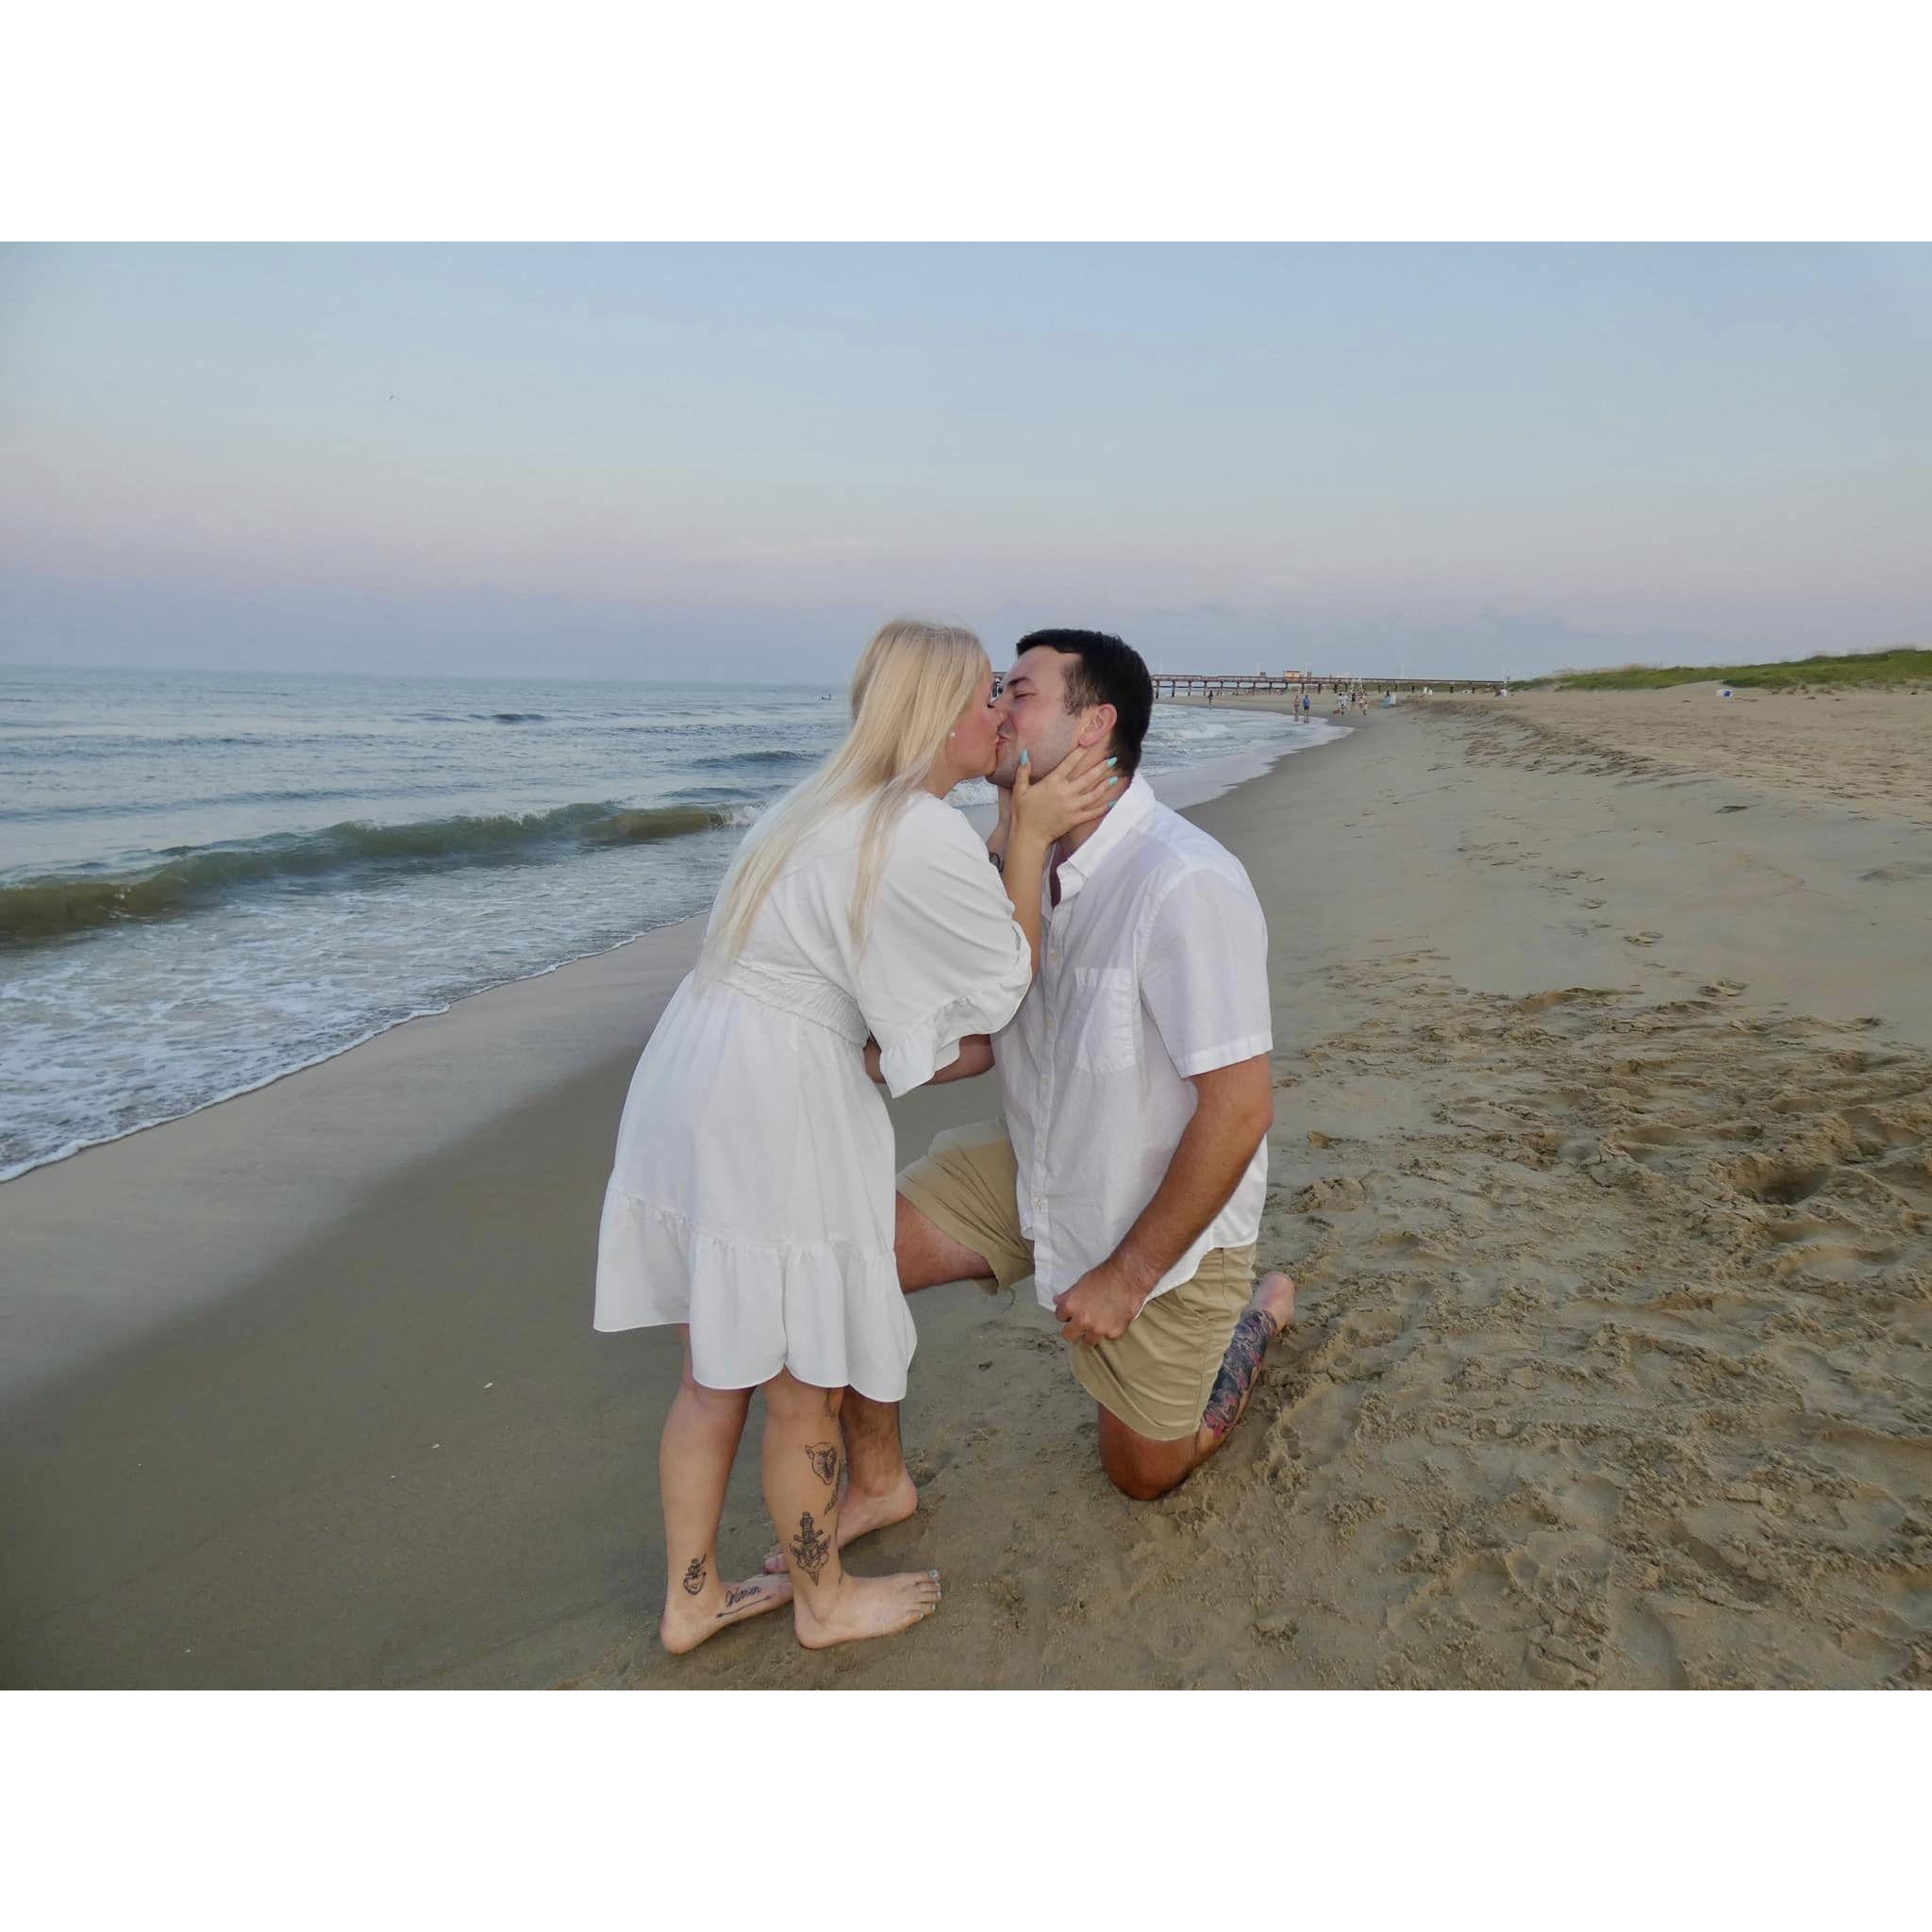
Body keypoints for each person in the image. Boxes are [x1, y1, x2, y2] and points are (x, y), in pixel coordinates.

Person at [594, 618, 1118, 1654]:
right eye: (983, 695)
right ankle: (823, 1599)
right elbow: (1002, 979)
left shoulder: (817, 803)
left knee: (712, 1371)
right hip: (771, 1098)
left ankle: (691, 1598)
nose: (999, 712)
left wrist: (1000, 835)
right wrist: (1024, 839)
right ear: (935, 712)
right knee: (805, 1381)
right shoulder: (911, 828)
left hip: (692, 1073)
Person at [812, 628, 1294, 1536]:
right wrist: (834, 1048)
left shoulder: (1185, 882)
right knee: (837, 1260)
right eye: (995, 690)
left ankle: (1257, 1319)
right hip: (1038, 1163)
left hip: (1158, 1214)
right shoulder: (1018, 861)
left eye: (1018, 693)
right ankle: (878, 1483)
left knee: (1143, 1474)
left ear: (1093, 726)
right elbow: (984, 1035)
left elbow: (1241, 1111)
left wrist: (1127, 1276)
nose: (994, 709)